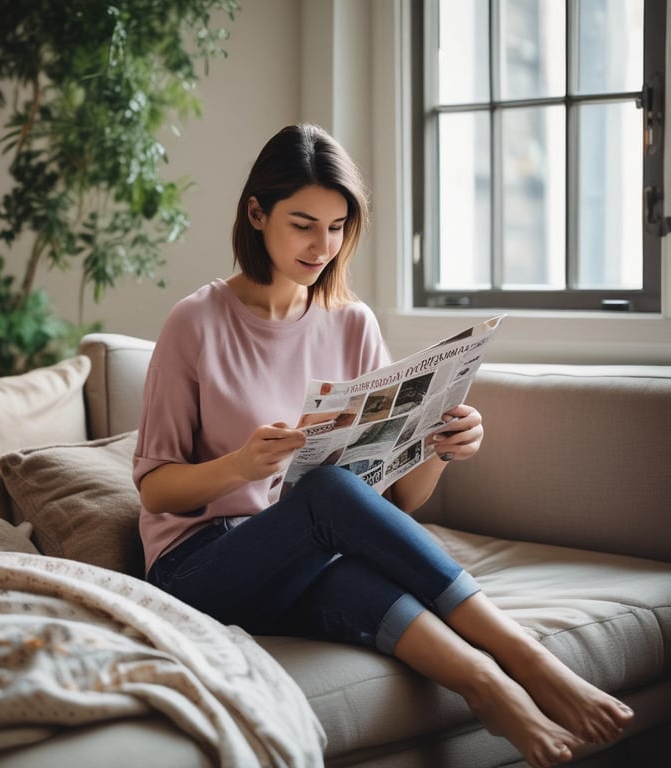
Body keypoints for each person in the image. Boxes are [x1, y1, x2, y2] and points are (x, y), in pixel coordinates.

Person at [133, 124, 634, 768]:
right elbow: (152, 486)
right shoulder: (196, 322)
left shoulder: (351, 322)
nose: (323, 246)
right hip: (199, 567)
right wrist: (239, 466)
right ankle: (525, 655)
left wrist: (436, 445)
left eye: (338, 227)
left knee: (344, 574)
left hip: (307, 554)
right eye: (303, 224)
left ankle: (487, 686)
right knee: (324, 495)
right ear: (256, 214)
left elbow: (398, 499)